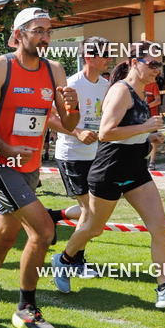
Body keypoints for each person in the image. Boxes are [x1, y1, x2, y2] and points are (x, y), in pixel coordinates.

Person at [51, 41, 165, 310]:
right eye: (152, 63)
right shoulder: (121, 90)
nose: (157, 69)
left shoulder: (140, 92)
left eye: (160, 64)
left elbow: (128, 131)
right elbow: (106, 133)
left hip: (135, 170)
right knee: (93, 228)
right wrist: (145, 126)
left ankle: (164, 288)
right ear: (135, 62)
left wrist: (149, 136)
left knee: (160, 226)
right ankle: (64, 260)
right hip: (110, 170)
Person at [0, 7, 80, 328]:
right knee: (43, 231)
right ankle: (27, 308)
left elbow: (68, 122)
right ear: (19, 34)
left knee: (4, 238)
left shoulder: (55, 70)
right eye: (38, 30)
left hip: (29, 167)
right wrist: (7, 149)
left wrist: (73, 106)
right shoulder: (0, 67)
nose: (45, 37)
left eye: (49, 31)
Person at [50, 36, 111, 276]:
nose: (108, 59)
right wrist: (78, 132)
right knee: (89, 211)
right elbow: (51, 117)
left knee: (96, 208)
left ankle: (53, 216)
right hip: (72, 155)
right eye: (104, 54)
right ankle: (73, 261)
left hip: (96, 155)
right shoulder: (71, 84)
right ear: (89, 57)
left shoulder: (106, 85)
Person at [144, 70, 163, 169]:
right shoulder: (138, 85)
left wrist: (146, 106)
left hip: (152, 115)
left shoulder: (153, 85)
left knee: (153, 138)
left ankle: (152, 161)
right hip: (140, 116)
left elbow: (158, 100)